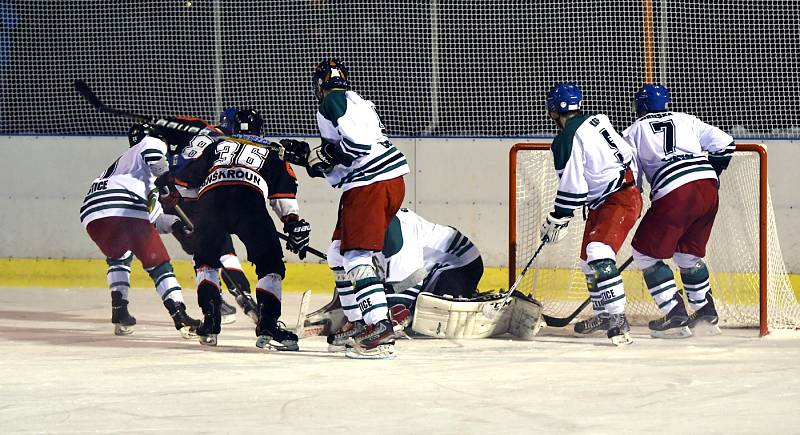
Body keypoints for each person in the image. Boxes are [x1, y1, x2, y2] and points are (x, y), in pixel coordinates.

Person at [281, 58, 410, 359]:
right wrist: (310, 161)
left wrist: (324, 155)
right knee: (338, 253)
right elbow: (339, 170)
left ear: (319, 85)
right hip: (376, 181)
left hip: (372, 182)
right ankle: (356, 321)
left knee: (355, 255)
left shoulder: (333, 100)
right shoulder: (355, 102)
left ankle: (380, 329)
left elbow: (357, 147)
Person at [177, 111, 310, 349]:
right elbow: (283, 196)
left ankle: (210, 323)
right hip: (249, 201)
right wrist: (292, 223)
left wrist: (198, 211)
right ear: (260, 130)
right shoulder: (272, 148)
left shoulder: (216, 145)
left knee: (206, 262)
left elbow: (187, 184)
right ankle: (268, 324)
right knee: (270, 265)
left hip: (210, 201)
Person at [623, 84, 734, 338]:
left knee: (644, 253)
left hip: (674, 192)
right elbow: (726, 144)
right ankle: (704, 311)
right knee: (687, 255)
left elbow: (634, 177)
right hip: (707, 189)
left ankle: (674, 314)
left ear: (639, 106)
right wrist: (708, 175)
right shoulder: (686, 119)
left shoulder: (632, 131)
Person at [541, 83, 642, 346]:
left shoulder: (565, 139)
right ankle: (604, 315)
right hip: (615, 195)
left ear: (553, 110)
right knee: (588, 259)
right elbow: (628, 154)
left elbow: (573, 186)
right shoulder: (599, 120)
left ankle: (618, 317)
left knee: (598, 251)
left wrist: (559, 217)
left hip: (618, 198)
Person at [79, 127, 200, 338]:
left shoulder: (132, 174)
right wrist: (168, 184)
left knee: (119, 255)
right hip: (123, 204)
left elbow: (153, 221)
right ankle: (179, 315)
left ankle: (120, 311)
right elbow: (153, 155)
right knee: (159, 264)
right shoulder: (151, 144)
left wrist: (176, 224)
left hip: (92, 212)